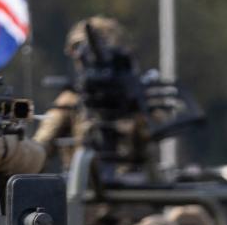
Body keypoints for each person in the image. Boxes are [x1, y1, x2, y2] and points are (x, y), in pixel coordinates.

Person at [34, 16, 151, 171]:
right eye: (77, 50)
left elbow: (157, 137)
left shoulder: (139, 98)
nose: (80, 56)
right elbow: (40, 148)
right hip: (84, 186)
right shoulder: (70, 101)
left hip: (136, 188)